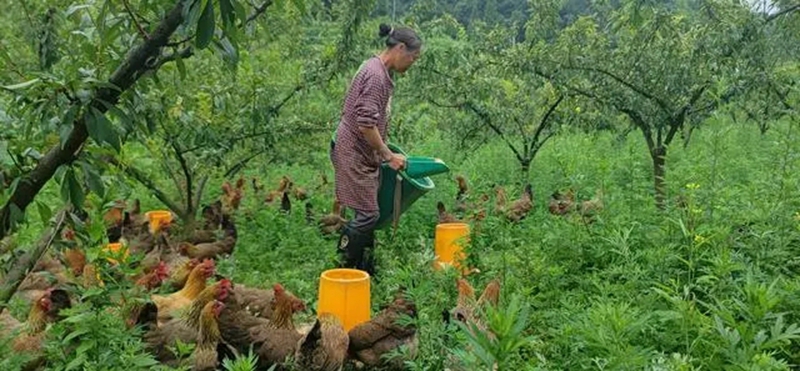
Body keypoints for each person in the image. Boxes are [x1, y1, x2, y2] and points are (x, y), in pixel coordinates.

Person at [329, 23, 422, 277]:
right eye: (413, 57)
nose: (412, 63)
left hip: (361, 151)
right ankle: (343, 269)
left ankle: (365, 267)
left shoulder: (376, 68)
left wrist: (382, 150)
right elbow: (366, 124)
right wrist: (388, 156)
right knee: (369, 214)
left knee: (366, 210)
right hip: (353, 151)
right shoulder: (376, 76)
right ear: (400, 48)